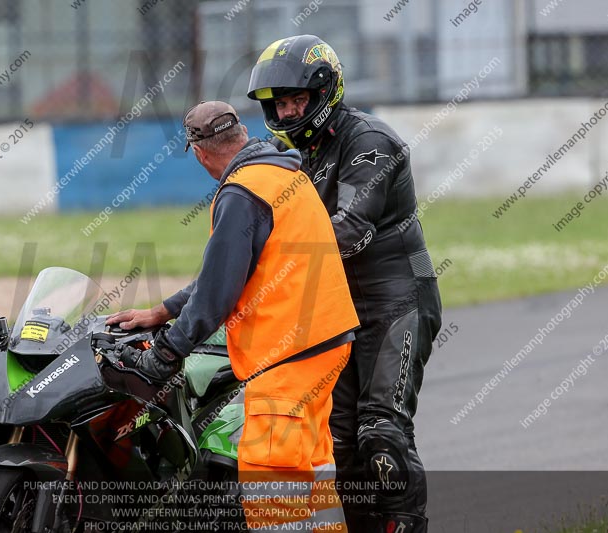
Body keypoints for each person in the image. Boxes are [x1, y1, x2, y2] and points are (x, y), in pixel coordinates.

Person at [107, 100, 360, 532]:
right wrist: (164, 310)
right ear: (241, 135)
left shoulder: (242, 192)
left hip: (288, 357)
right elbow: (229, 275)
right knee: (313, 474)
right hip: (327, 344)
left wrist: (167, 352)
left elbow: (218, 293)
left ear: (200, 153)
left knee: (271, 489)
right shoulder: (283, 174)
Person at [246, 35, 443, 532]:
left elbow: (349, 230)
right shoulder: (296, 156)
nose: (288, 112)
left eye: (296, 100)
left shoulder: (370, 142)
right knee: (338, 443)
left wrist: (270, 257)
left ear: (324, 92)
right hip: (341, 311)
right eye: (280, 104)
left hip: (399, 299)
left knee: (381, 432)